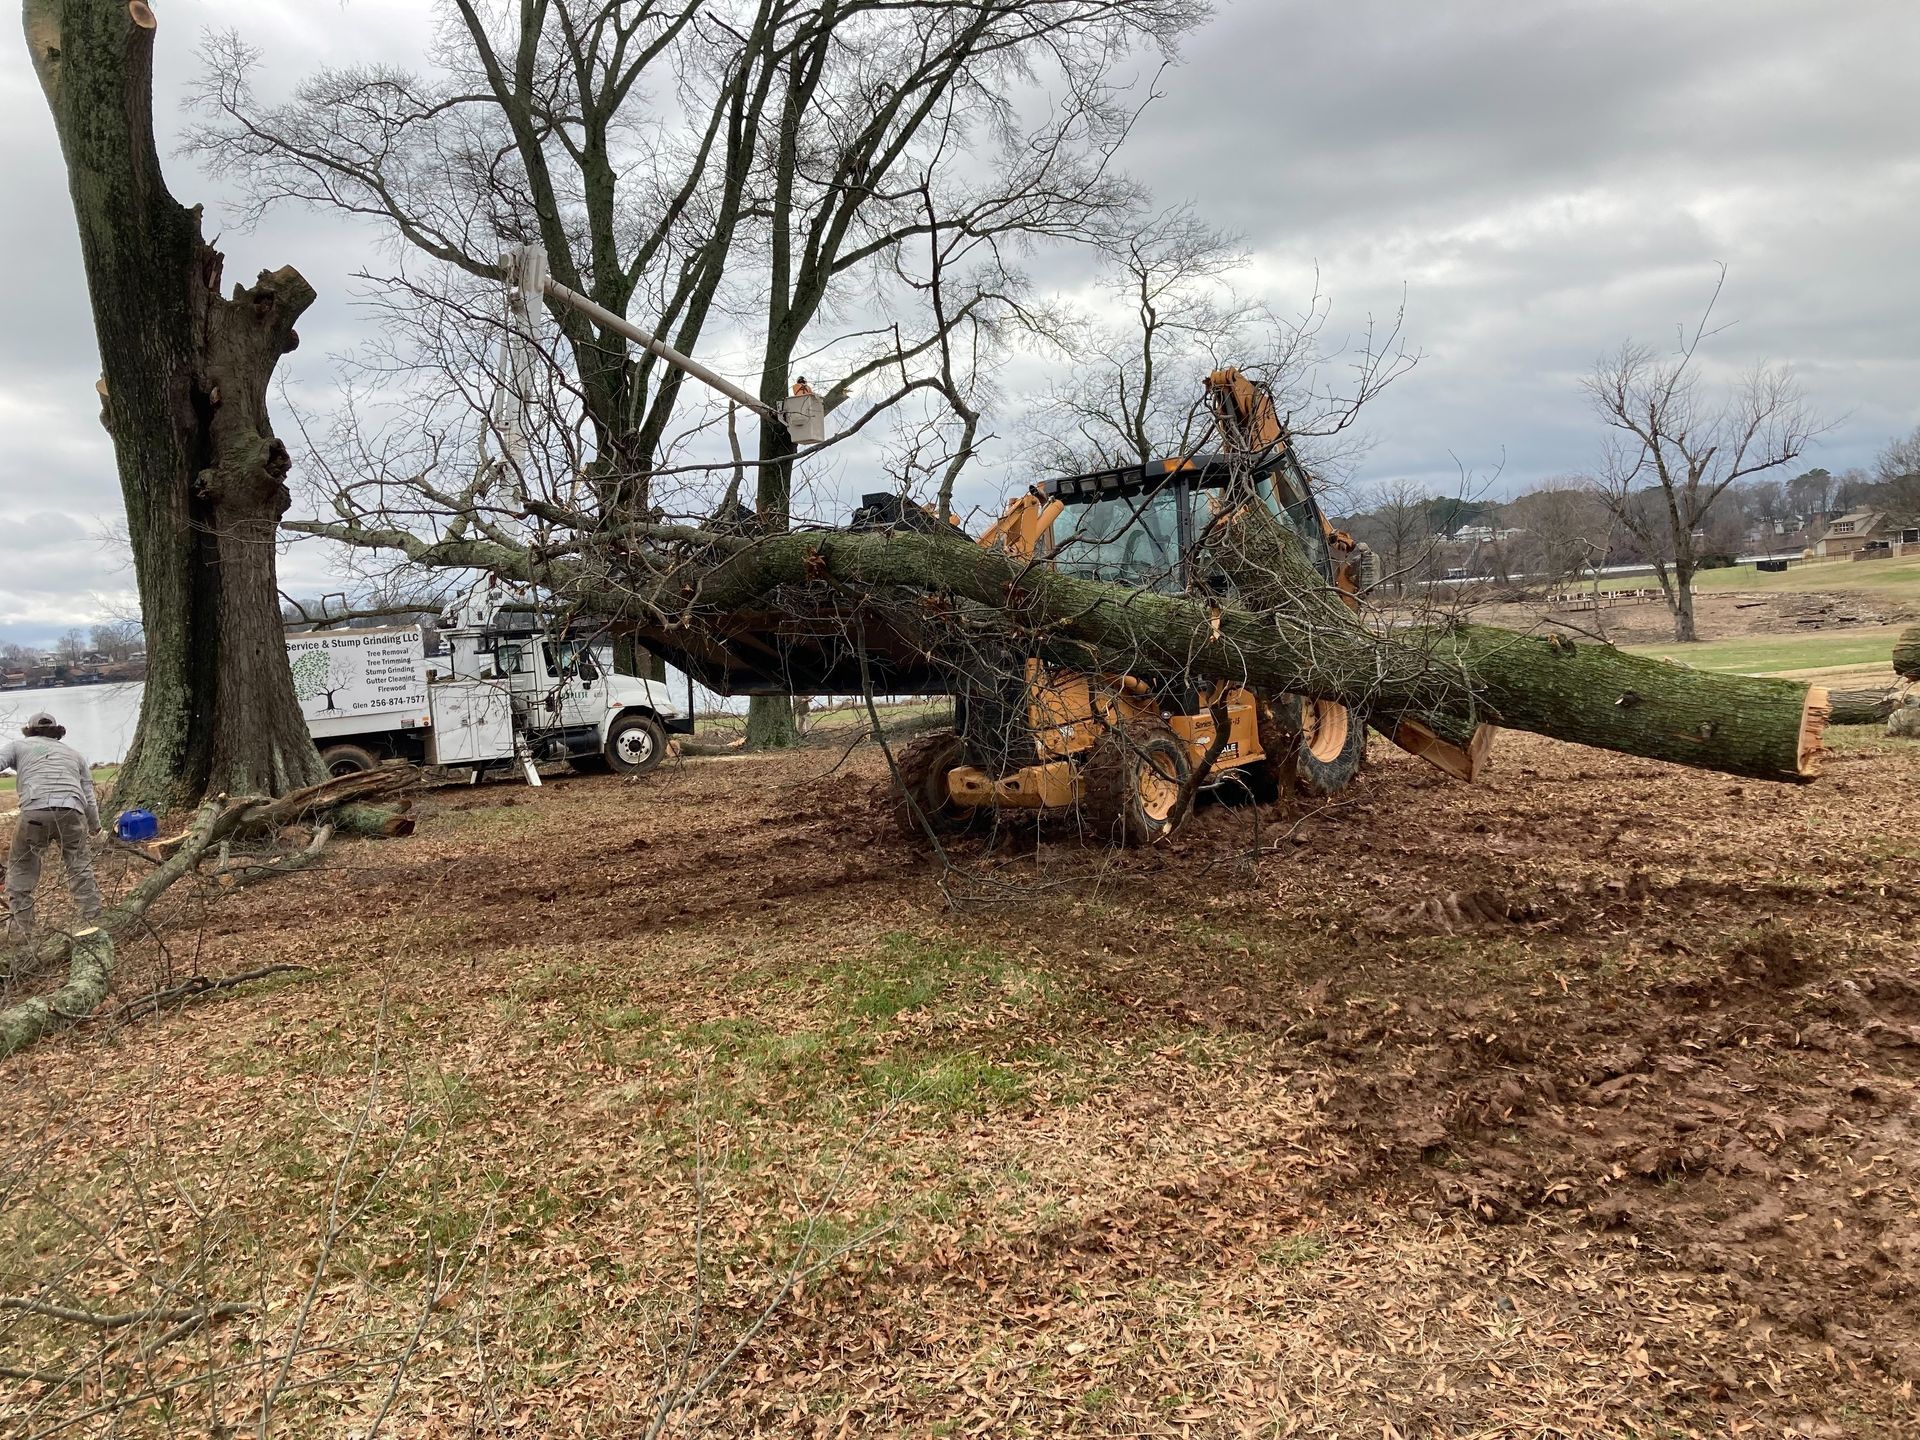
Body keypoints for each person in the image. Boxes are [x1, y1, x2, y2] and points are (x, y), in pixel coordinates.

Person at [2, 712, 103, 941]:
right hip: (72, 812)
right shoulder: (74, 754)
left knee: (21, 868)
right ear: (56, 731)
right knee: (79, 866)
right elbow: (88, 795)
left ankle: (22, 931)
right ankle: (93, 919)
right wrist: (96, 827)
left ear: (29, 730)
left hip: (35, 812)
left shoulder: (19, 745)